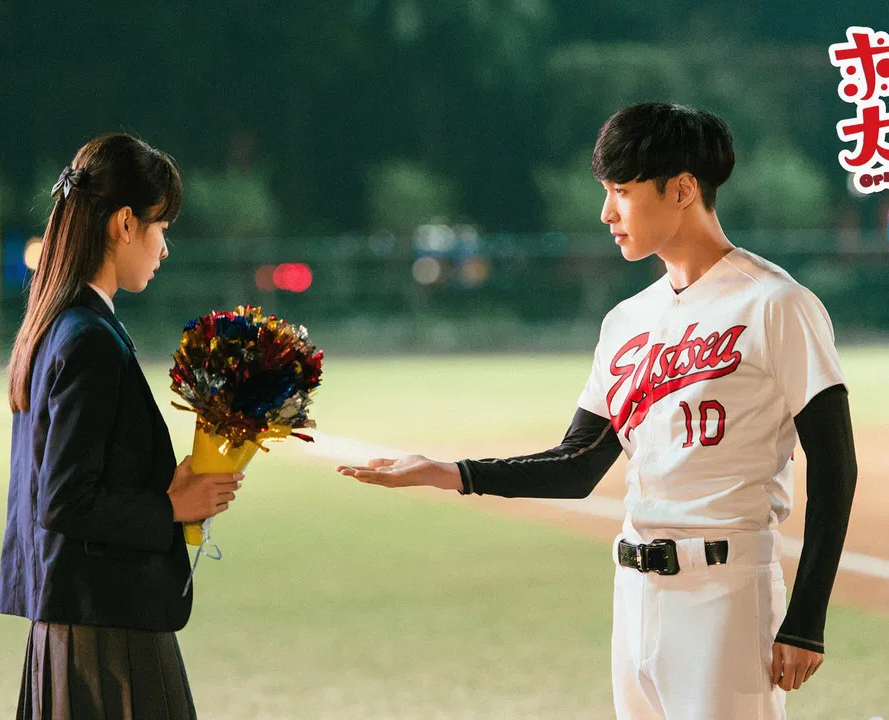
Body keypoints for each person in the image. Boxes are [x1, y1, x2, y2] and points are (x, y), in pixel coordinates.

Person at [337, 102, 858, 720]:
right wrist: (448, 472)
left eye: (622, 191)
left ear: (683, 189)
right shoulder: (627, 321)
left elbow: (835, 465)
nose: (607, 212)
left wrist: (806, 620)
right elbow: (578, 464)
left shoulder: (776, 303)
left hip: (727, 592)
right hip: (634, 590)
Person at [0, 133, 242, 719]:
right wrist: (172, 507)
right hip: (104, 630)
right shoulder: (87, 338)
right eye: (162, 227)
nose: (164, 248)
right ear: (125, 224)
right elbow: (65, 500)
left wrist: (169, 484)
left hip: (77, 622)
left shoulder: (61, 324)